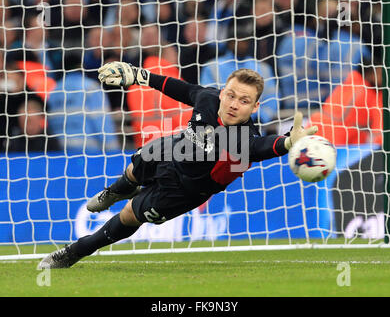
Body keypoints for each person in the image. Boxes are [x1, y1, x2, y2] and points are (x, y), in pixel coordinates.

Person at [38, 62, 317, 269]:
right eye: (231, 95)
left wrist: (286, 143)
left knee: (129, 216)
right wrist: (138, 75)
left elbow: (262, 147)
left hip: (185, 190)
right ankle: (115, 190)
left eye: (244, 101)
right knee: (135, 168)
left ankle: (75, 251)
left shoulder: (244, 139)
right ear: (222, 93)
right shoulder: (208, 98)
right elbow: (181, 89)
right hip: (176, 150)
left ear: (254, 108)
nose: (234, 104)